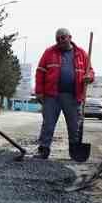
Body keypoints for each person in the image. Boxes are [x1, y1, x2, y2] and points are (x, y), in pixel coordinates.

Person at [32, 28, 93, 159]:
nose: (60, 40)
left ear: (70, 37)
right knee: (48, 124)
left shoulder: (81, 53)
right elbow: (40, 72)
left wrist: (89, 76)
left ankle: (74, 150)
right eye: (58, 39)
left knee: (74, 125)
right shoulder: (49, 52)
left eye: (63, 37)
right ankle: (43, 149)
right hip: (51, 96)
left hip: (73, 96)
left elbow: (90, 71)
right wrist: (39, 92)